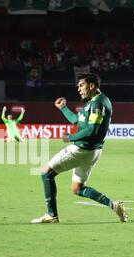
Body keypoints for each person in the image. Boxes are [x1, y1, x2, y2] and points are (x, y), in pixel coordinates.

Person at [31, 73, 128, 224]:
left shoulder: (98, 103)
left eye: (81, 85)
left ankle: (51, 215)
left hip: (81, 150)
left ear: (92, 85)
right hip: (93, 152)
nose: (79, 89)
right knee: (77, 188)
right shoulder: (92, 102)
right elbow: (77, 120)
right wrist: (63, 108)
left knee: (46, 173)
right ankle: (113, 205)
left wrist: (70, 138)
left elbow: (92, 130)